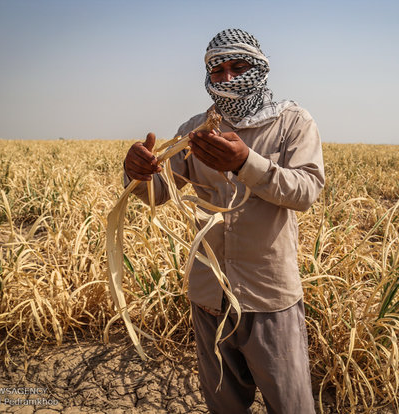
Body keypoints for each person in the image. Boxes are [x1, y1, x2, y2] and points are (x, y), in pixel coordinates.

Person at [123, 28, 324, 414]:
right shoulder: (196, 130)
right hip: (210, 298)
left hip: (269, 300)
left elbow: (306, 191)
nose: (228, 78)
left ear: (260, 68)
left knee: (292, 407)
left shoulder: (293, 123)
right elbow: (161, 193)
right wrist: (137, 174)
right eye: (218, 71)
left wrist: (245, 163)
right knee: (224, 407)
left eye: (238, 67)